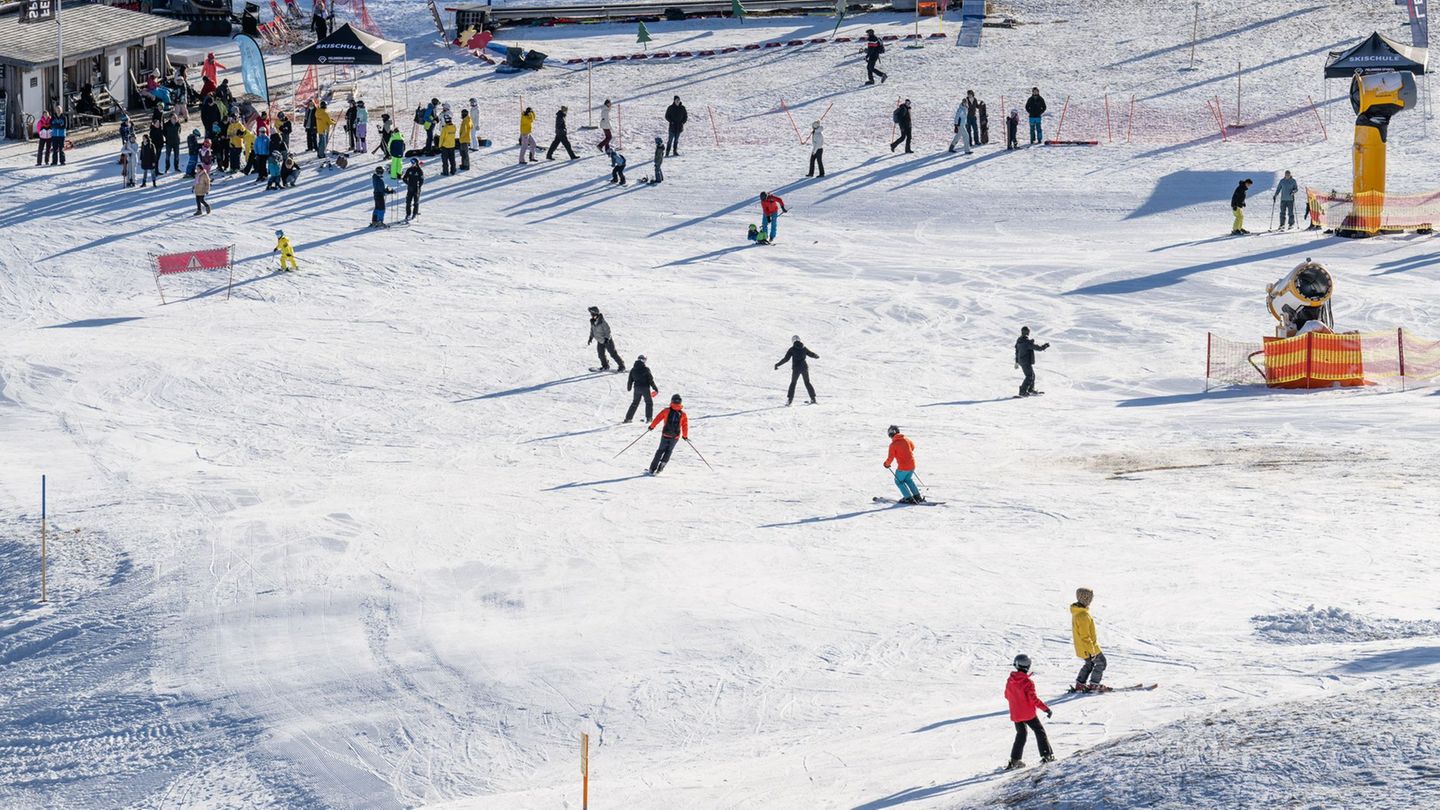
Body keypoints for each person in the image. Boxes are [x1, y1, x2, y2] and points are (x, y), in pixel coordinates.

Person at [1004, 654, 1055, 771]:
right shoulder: (1027, 682)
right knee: (1039, 731)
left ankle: (1014, 760)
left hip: (1016, 714)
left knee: (1021, 734)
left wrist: (1016, 702)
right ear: (1027, 666)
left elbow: (1007, 695)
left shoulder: (1010, 680)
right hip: (1028, 714)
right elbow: (1033, 699)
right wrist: (1046, 709)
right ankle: (1047, 755)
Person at [1070, 588, 1110, 694]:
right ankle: (1094, 684)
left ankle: (1080, 684)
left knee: (1089, 664)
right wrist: (1092, 652)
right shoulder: (1083, 615)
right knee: (1101, 663)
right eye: (1090, 598)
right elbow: (1085, 637)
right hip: (1089, 648)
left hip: (1082, 648)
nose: (1091, 600)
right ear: (1086, 599)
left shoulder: (1078, 612)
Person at [647, 394, 689, 475]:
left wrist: (652, 426)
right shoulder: (683, 414)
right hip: (675, 437)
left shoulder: (666, 411)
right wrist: (685, 436)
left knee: (660, 451)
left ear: (672, 401)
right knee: (669, 451)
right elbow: (685, 426)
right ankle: (661, 466)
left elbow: (657, 418)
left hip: (665, 435)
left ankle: (652, 469)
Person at [775, 335, 819, 405]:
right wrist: (816, 356)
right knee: (807, 382)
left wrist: (777, 364)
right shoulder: (804, 348)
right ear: (799, 340)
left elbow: (786, 359)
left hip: (796, 369)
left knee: (793, 383)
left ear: (793, 341)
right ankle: (813, 399)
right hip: (804, 368)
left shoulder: (792, 349)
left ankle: (789, 401)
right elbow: (810, 354)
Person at [883, 425, 922, 503]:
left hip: (903, 467)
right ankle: (917, 496)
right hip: (912, 465)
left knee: (898, 481)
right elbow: (912, 447)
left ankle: (908, 498)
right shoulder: (906, 439)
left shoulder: (893, 445)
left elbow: (890, 457)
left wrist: (886, 464)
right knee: (908, 480)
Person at [1014, 326, 1050, 397]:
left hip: (1022, 361)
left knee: (1032, 375)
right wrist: (1044, 346)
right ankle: (1022, 391)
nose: (1029, 333)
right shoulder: (1026, 342)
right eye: (1028, 332)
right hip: (1025, 361)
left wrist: (1017, 361)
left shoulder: (1019, 341)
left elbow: (1017, 351)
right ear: (1026, 332)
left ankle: (1030, 389)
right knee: (1029, 376)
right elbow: (1037, 348)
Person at [587, 306, 625, 371]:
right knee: (601, 354)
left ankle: (622, 366)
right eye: (591, 314)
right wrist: (590, 337)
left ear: (596, 313)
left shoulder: (602, 322)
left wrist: (607, 339)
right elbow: (592, 330)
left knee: (613, 354)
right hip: (600, 341)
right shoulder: (593, 322)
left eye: (592, 314)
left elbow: (608, 331)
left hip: (607, 341)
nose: (591, 315)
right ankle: (605, 366)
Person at [625, 355, 659, 423]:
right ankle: (649, 418)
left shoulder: (633, 369)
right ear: (642, 360)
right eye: (644, 360)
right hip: (645, 388)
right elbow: (650, 380)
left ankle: (628, 418)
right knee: (649, 402)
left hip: (637, 388)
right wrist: (655, 388)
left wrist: (629, 387)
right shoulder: (646, 369)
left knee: (635, 403)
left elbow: (630, 380)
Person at [315, 101, 334, 166]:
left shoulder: (317, 112)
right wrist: (334, 122)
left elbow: (325, 119)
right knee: (323, 142)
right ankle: (321, 154)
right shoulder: (325, 113)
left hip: (320, 129)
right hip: (324, 130)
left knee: (321, 142)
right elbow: (329, 122)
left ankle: (319, 153)